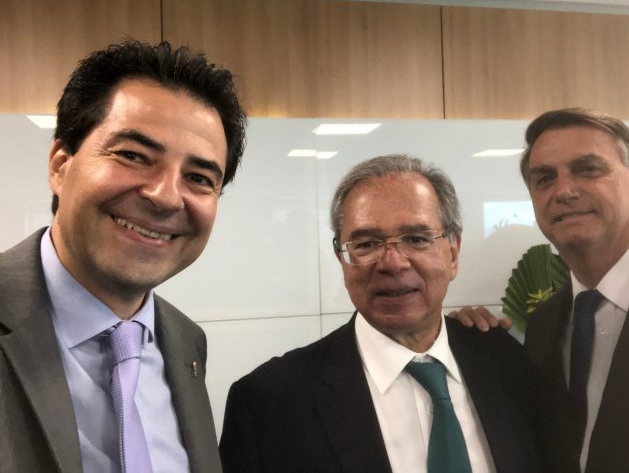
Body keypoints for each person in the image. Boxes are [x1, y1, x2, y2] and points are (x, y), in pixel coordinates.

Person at [0, 40, 246, 472]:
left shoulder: (186, 342)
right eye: (133, 156)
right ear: (60, 165)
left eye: (198, 178)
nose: (165, 197)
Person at [219, 154, 539, 473]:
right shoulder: (268, 403)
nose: (393, 263)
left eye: (416, 239)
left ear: (453, 253)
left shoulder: (506, 362)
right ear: (342, 259)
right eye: (367, 244)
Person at [452, 108, 629, 472]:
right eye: (544, 179)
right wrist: (461, 341)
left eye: (588, 169)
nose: (563, 191)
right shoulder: (545, 324)